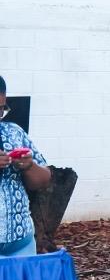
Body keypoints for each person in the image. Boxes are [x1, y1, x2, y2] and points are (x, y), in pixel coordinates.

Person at [0, 75, 51, 257]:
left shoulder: (14, 132)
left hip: (21, 243)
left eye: (1, 109)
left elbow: (44, 179)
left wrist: (30, 167)